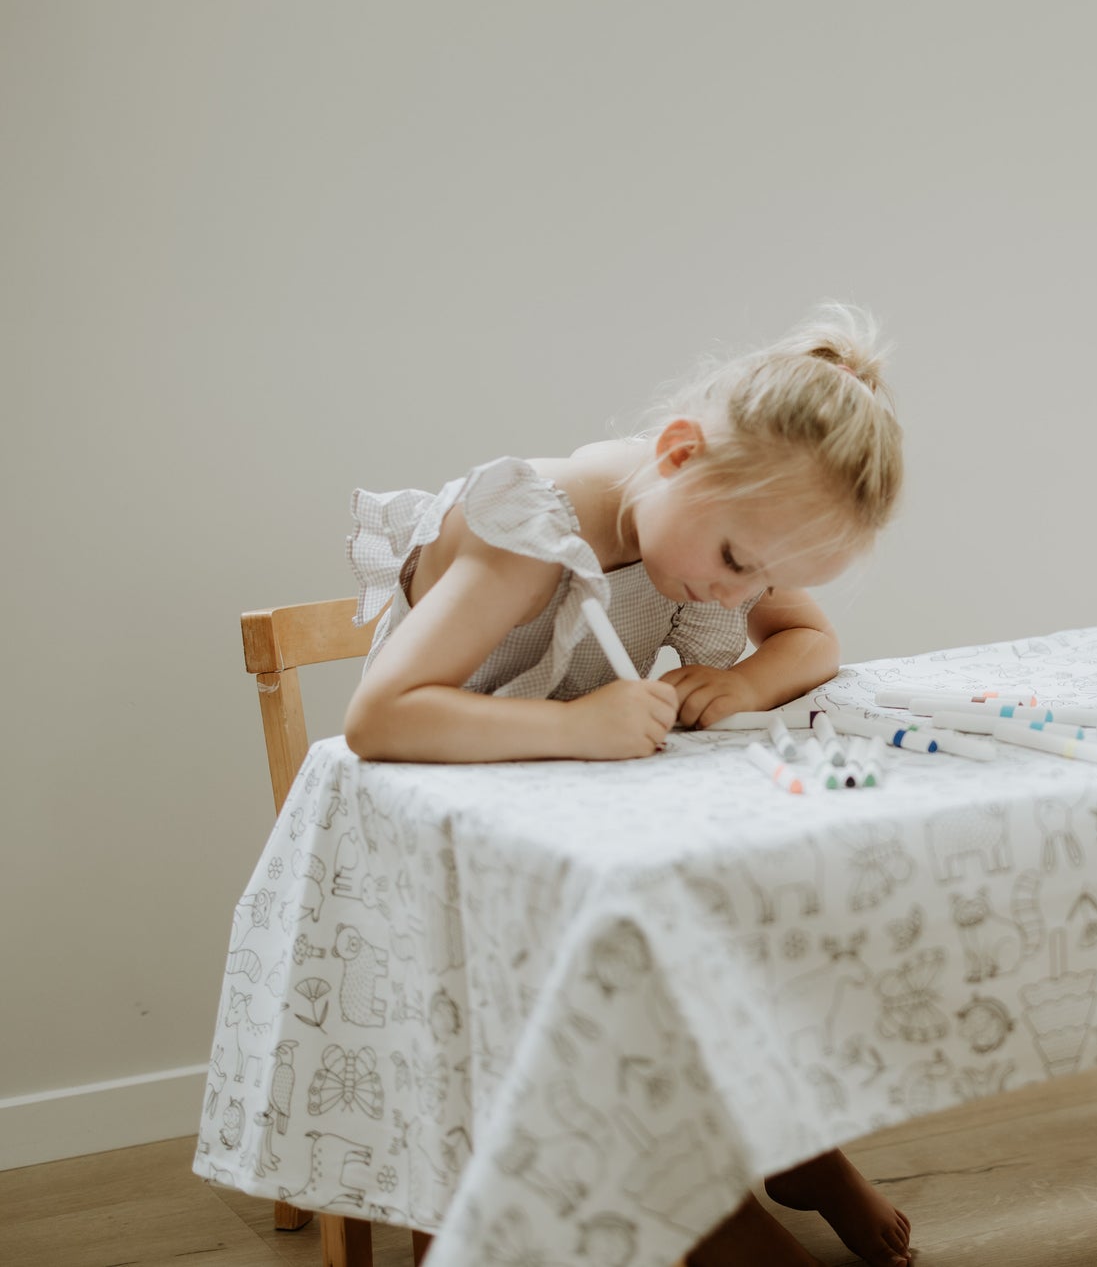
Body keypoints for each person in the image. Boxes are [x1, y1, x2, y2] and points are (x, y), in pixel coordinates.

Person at [344, 304, 912, 1267]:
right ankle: (693, 1196)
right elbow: (380, 715)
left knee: (735, 904)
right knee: (634, 940)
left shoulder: (715, 522)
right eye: (737, 562)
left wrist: (738, 679)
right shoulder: (537, 524)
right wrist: (572, 724)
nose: (737, 596)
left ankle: (792, 1143)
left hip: (578, 810)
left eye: (762, 575)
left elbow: (811, 640)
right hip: (460, 845)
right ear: (681, 453)